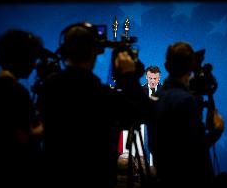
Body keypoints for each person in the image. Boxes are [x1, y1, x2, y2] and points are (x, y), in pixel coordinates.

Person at [37, 22, 151, 187]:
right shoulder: (103, 95)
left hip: (54, 177)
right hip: (96, 179)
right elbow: (142, 113)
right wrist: (129, 76)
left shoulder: (48, 87)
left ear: (64, 51)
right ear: (95, 51)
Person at [149, 41, 224, 187]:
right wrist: (218, 129)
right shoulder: (186, 100)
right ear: (191, 67)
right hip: (189, 179)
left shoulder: (156, 97)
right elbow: (195, 149)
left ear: (166, 66)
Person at [0, 29, 46, 185]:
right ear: (20, 58)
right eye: (31, 58)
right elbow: (25, 137)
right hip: (18, 173)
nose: (34, 65)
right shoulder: (16, 91)